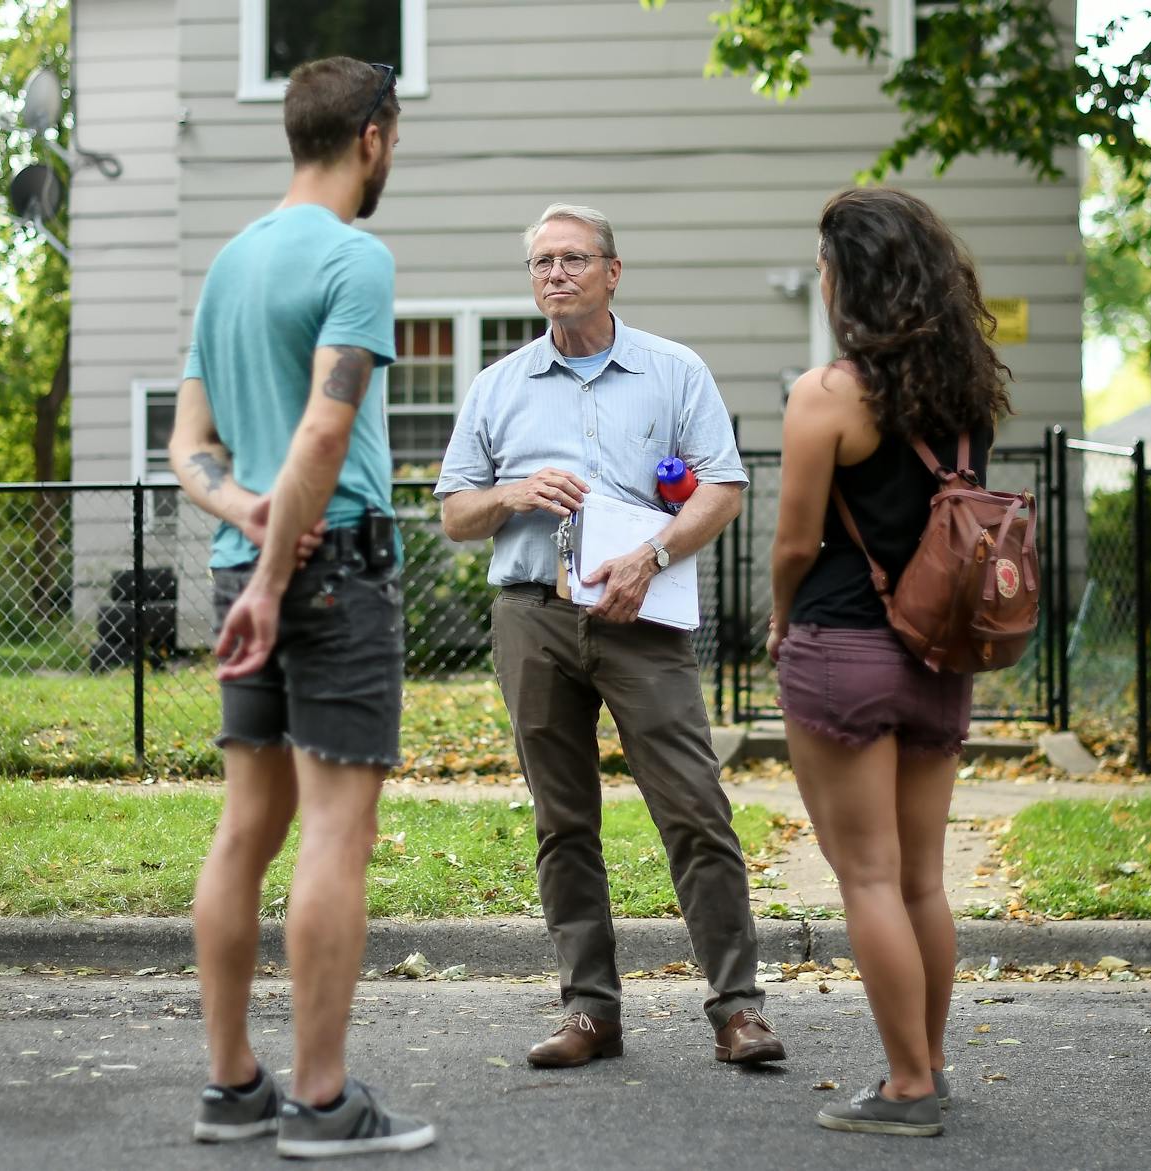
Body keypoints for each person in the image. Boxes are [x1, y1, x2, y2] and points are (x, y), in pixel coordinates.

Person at [434, 203, 785, 1069]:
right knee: (564, 821)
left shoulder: (674, 371)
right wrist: (513, 493)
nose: (556, 274)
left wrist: (652, 554)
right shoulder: (499, 385)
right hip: (534, 618)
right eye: (543, 262)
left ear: (612, 272)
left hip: (642, 616)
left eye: (574, 259)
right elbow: (453, 513)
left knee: (695, 809)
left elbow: (723, 487)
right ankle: (590, 1011)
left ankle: (738, 1008)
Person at [167, 56, 435, 1158]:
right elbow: (324, 434)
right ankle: (322, 1103)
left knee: (246, 829)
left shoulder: (229, 265)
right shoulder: (353, 255)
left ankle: (231, 1086)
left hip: (244, 568)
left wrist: (250, 522)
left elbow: (188, 449)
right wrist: (280, 575)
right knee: (334, 831)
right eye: (394, 141)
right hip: (317, 580)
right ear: (370, 136)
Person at [767, 187, 1014, 1137]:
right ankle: (930, 1063)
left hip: (843, 649)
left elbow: (793, 544)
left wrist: (782, 621)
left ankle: (907, 1087)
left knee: (864, 877)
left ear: (849, 279)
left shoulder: (828, 394)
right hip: (939, 656)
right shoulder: (965, 396)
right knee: (920, 879)